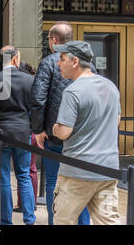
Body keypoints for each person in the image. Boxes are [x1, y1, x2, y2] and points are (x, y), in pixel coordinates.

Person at [50, 40, 121, 225]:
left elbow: (64, 132)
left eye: (62, 59)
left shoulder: (72, 92)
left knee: (64, 220)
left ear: (75, 62)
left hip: (77, 171)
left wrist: (54, 128)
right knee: (108, 221)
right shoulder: (110, 87)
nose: (58, 63)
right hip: (108, 169)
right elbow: (117, 121)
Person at [31, 21, 91, 225]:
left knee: (53, 184)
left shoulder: (48, 62)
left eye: (48, 38)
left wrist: (38, 130)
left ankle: (54, 222)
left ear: (54, 40)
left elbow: (38, 99)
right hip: (81, 137)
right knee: (81, 186)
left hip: (55, 135)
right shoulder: (84, 63)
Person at [0, 46, 36, 225]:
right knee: (24, 175)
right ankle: (29, 219)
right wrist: (30, 127)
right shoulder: (29, 80)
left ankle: (6, 221)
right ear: (16, 58)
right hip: (22, 132)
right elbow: (35, 108)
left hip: (0, 132)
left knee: (3, 177)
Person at [13, 61, 38, 213]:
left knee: (25, 171)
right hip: (33, 131)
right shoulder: (34, 87)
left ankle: (26, 204)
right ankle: (27, 202)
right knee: (30, 170)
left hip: (27, 132)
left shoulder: (22, 88)